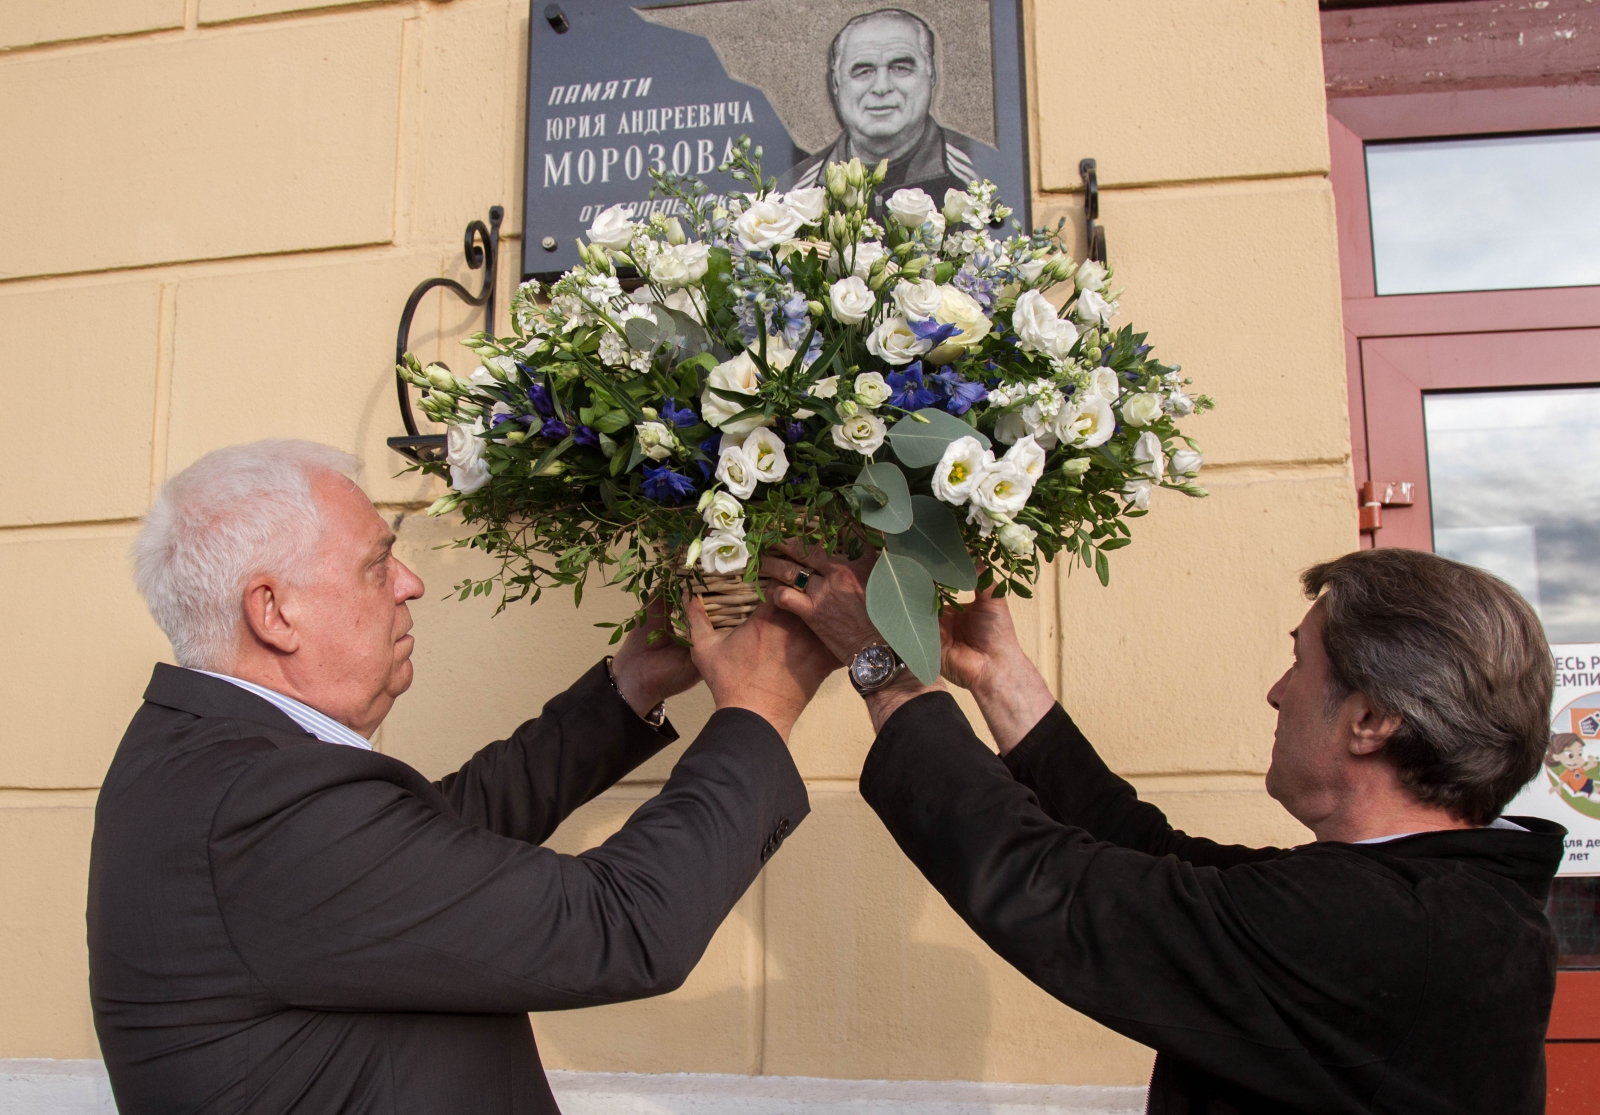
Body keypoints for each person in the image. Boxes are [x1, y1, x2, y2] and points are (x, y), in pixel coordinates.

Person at [88, 439, 837, 1114]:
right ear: (274, 612)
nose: (410, 583)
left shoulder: (203, 757)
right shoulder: (261, 809)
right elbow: (623, 925)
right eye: (377, 564)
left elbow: (433, 843)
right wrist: (758, 712)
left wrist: (630, 684)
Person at [764, 544, 1563, 1113]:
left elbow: (1055, 889)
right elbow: (1151, 858)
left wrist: (883, 664)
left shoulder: (1381, 927)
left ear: (1373, 719)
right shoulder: (1447, 899)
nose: (1276, 692)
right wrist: (998, 672)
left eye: (1301, 660)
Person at [781, 8, 976, 218]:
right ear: (836, 83)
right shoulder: (793, 195)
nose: (881, 87)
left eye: (900, 68)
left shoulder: (982, 180)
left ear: (932, 76)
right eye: (863, 71)